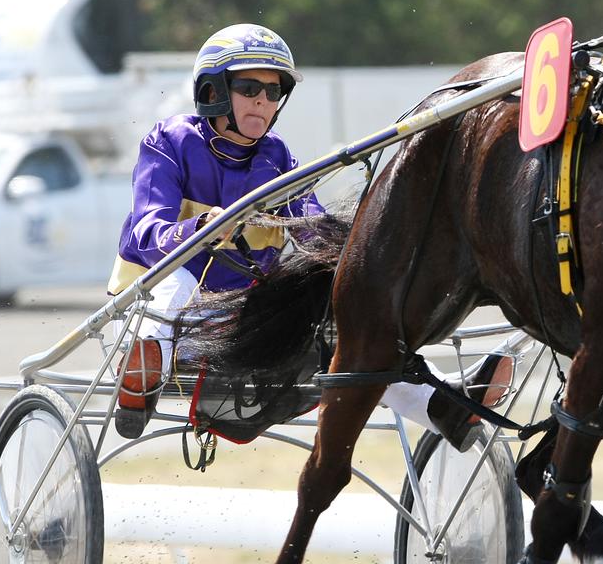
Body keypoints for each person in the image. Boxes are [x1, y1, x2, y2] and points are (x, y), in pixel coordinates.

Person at [107, 23, 511, 448]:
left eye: (273, 90)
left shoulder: (277, 158)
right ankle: (144, 364)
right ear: (213, 91)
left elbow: (314, 230)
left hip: (238, 323)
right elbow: (148, 229)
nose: (263, 100)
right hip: (150, 308)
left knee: (353, 329)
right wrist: (200, 230)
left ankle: (447, 401)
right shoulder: (170, 142)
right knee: (179, 278)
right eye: (249, 87)